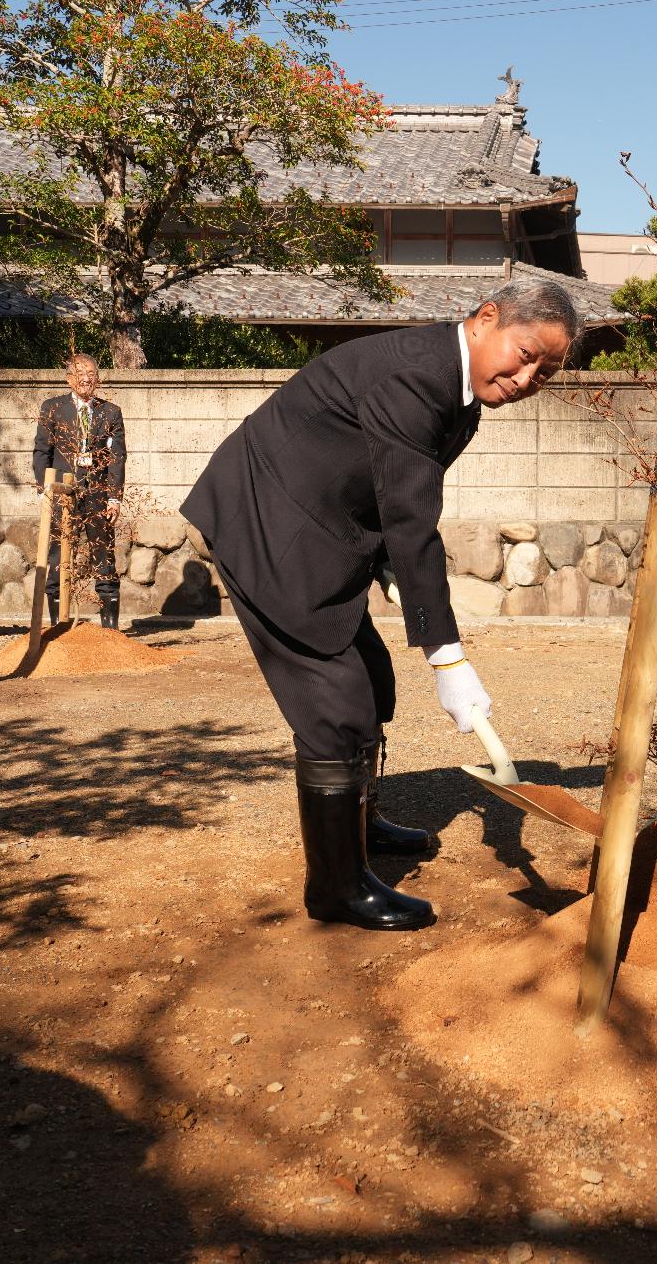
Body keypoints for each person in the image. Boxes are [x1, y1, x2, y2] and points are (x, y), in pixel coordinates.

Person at [182, 277, 578, 932]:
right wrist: (448, 657)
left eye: (548, 370)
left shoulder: (462, 399)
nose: (529, 375)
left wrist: (390, 564)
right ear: (485, 319)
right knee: (335, 703)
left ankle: (360, 829)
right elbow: (413, 518)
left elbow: (390, 489)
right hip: (268, 522)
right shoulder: (418, 380)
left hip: (318, 525)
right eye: (526, 352)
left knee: (370, 675)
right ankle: (335, 887)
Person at [33, 354, 127, 629]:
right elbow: (41, 452)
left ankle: (110, 628)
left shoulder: (110, 411)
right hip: (62, 493)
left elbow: (117, 458)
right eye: (79, 372)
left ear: (98, 378)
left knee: (104, 557)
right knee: (57, 557)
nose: (85, 377)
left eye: (91, 373)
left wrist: (113, 497)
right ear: (69, 379)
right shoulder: (53, 408)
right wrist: (45, 490)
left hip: (98, 494)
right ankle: (57, 625)